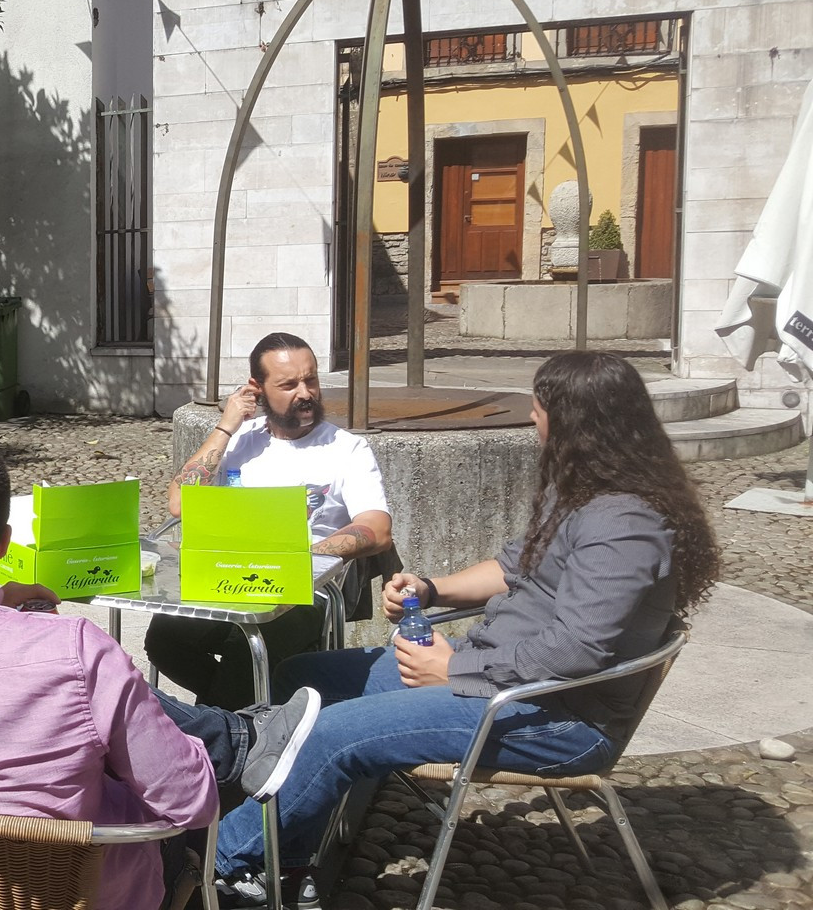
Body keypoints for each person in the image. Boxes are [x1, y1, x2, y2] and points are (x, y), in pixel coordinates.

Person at [206, 350, 722, 906]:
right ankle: (289, 851)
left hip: (559, 717)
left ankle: (224, 860)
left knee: (335, 732)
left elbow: (577, 648)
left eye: (540, 406)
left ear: (577, 421)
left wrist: (453, 668)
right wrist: (431, 587)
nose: (532, 417)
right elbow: (511, 568)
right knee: (305, 677)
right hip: (502, 678)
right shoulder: (579, 493)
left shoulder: (623, 524)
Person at [0, 430, 327, 910]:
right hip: (102, 891)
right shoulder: (74, 651)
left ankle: (241, 737)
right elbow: (190, 802)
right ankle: (244, 743)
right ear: (2, 544)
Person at [146, 331, 395, 710]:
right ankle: (242, 715)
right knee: (164, 640)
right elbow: (180, 503)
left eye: (311, 379)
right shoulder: (240, 440)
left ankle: (219, 732)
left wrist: (299, 556)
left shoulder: (346, 449)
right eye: (288, 384)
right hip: (228, 576)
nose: (305, 392)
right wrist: (226, 426)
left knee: (245, 651)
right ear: (257, 388)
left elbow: (377, 529)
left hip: (304, 589)